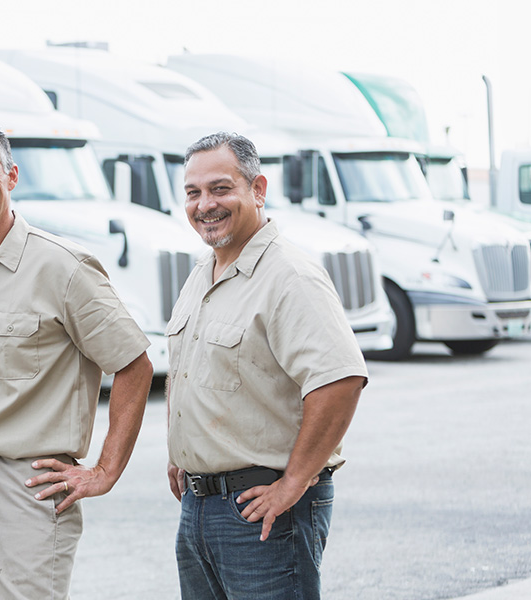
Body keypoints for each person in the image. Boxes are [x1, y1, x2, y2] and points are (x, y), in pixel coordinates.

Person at [0, 119, 154, 599]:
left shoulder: (63, 267)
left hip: (27, 487)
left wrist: (104, 470)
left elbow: (134, 364)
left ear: (11, 176)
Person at [166, 131, 368, 599]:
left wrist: (293, 483)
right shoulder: (204, 272)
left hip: (262, 512)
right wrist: (182, 454)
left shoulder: (289, 276)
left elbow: (339, 380)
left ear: (257, 190)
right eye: (193, 193)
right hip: (200, 508)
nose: (204, 204)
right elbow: (190, 368)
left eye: (220, 188)